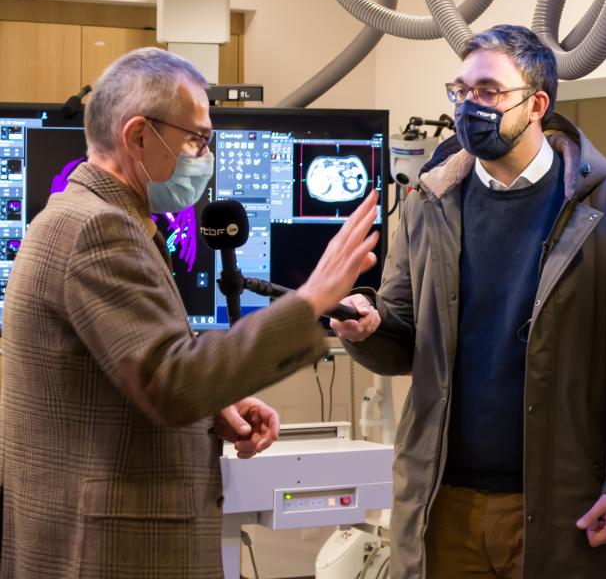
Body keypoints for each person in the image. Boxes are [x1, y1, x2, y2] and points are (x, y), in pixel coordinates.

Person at [0, 47, 380, 578]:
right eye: (198, 138)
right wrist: (309, 301)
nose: (207, 154)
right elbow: (170, 380)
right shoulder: (97, 230)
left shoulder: (85, 216)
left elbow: (138, 372)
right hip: (112, 555)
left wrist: (212, 407)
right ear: (137, 136)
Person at [331, 24, 606, 578]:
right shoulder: (430, 200)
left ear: (537, 103)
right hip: (444, 498)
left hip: (560, 501)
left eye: (488, 91)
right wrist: (367, 331)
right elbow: (401, 342)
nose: (470, 106)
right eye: (461, 91)